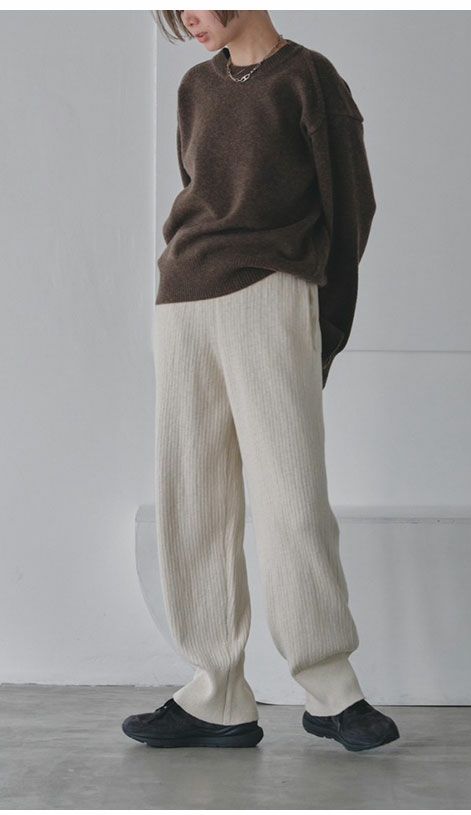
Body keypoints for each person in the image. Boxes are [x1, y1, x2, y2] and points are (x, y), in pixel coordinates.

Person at [121, 9, 399, 753]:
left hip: (272, 294)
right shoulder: (195, 87)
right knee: (194, 498)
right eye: (174, 7)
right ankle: (215, 694)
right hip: (183, 300)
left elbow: (352, 209)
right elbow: (199, 192)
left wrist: (325, 324)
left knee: (292, 494)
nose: (186, 18)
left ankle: (331, 687)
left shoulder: (308, 78)